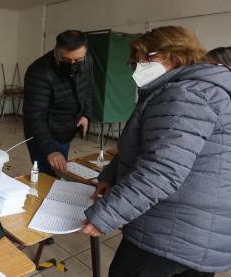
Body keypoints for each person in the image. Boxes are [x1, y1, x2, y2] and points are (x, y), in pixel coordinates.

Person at [81, 26, 231, 276]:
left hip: (173, 231)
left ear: (175, 54)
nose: (139, 65)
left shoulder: (186, 94)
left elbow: (162, 170)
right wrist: (109, 176)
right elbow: (151, 147)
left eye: (145, 58)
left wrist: (108, 214)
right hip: (195, 226)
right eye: (136, 60)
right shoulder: (194, 90)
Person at [23, 30, 92, 177]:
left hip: (66, 128)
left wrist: (85, 114)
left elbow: (88, 89)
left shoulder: (86, 61)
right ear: (56, 51)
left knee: (60, 171)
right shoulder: (39, 72)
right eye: (67, 60)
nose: (73, 64)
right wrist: (50, 150)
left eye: (77, 60)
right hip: (44, 132)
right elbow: (35, 116)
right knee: (47, 175)